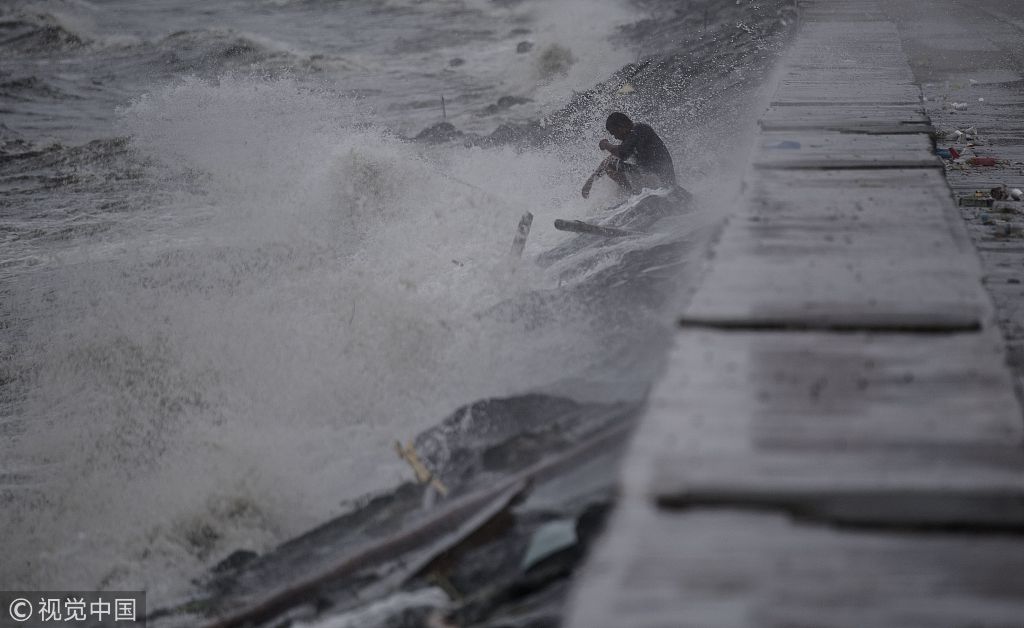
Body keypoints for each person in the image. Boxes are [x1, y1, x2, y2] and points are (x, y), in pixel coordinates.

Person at [581, 112, 677, 198]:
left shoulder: (639, 130)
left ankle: (633, 195)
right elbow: (612, 158)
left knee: (615, 164)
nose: (616, 137)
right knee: (610, 165)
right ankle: (631, 196)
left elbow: (621, 153)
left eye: (614, 133)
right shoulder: (631, 137)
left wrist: (605, 144)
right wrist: (590, 181)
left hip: (661, 179)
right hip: (650, 173)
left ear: (622, 125)